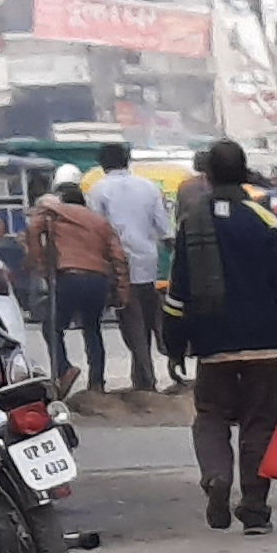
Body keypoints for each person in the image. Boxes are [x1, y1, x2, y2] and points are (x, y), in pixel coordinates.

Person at [159, 137, 277, 535]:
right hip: (264, 345)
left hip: (212, 345)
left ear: (208, 175)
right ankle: (253, 508)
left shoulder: (191, 222)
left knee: (211, 416)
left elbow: (177, 293)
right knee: (259, 423)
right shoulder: (264, 222)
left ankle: (216, 476)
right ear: (246, 173)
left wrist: (174, 346)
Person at [29, 175, 129, 393]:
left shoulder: (54, 215)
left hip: (69, 276)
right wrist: (121, 290)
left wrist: (43, 268)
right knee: (92, 329)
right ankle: (97, 383)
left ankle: (64, 370)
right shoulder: (100, 222)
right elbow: (118, 256)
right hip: (98, 279)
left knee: (52, 327)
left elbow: (33, 232)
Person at [87, 141, 174, 387]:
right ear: (128, 161)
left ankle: (145, 378)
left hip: (118, 265)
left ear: (102, 164)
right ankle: (144, 375)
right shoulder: (149, 187)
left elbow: (97, 229)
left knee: (131, 320)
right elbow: (165, 229)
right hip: (148, 262)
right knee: (145, 319)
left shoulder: (98, 190)